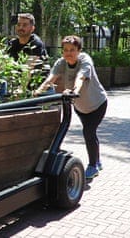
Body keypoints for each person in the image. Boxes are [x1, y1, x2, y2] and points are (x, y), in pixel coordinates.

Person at [34, 35, 107, 180]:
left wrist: (74, 92)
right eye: (65, 50)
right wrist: (38, 91)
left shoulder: (85, 61)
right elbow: (51, 78)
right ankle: (97, 161)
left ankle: (93, 166)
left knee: (88, 132)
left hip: (97, 104)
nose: (68, 53)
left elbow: (80, 77)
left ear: (79, 50)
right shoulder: (61, 62)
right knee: (90, 134)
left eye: (72, 50)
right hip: (80, 107)